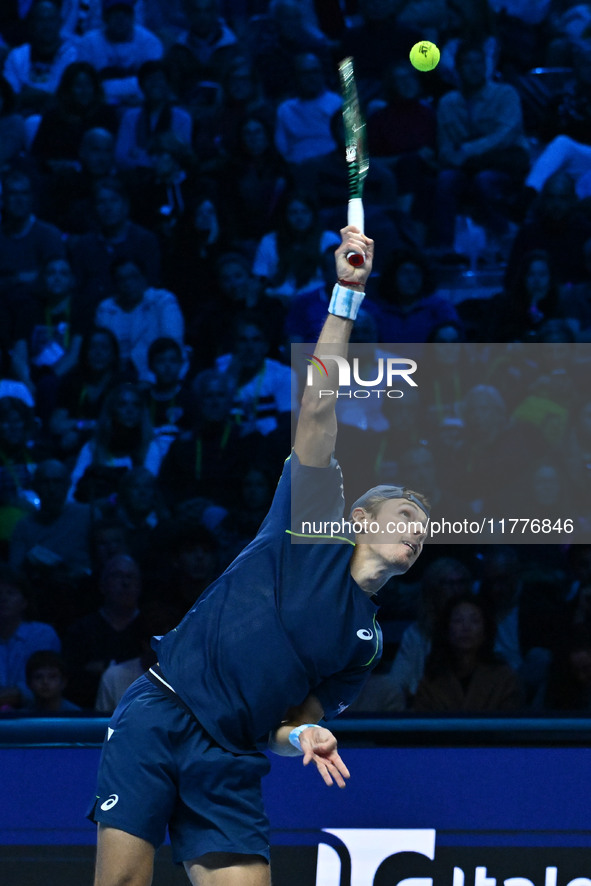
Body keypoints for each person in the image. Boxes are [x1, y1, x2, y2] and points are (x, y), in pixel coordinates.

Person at [88, 224, 431, 885]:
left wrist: (303, 737)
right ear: (359, 518)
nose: (418, 531)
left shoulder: (363, 643)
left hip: (232, 757)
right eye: (406, 514)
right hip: (163, 712)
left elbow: (289, 723)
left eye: (425, 528)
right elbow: (319, 408)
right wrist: (346, 295)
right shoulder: (307, 526)